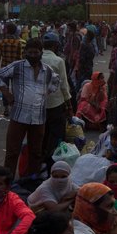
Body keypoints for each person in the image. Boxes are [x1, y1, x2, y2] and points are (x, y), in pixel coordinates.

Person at [0, 37, 61, 180]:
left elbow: (55, 82)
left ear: (41, 53)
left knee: (36, 152)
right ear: (25, 53)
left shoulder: (47, 70)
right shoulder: (17, 67)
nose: (33, 56)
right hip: (19, 116)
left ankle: (31, 181)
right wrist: (7, 94)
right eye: (30, 53)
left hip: (38, 118)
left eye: (36, 53)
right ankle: (7, 181)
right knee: (12, 151)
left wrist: (45, 94)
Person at [41, 33, 74, 168]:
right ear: (55, 45)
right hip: (56, 103)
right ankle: (53, 163)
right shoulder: (58, 61)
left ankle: (41, 161)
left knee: (43, 133)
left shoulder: (37, 58)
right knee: (56, 134)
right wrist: (69, 104)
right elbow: (63, 85)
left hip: (39, 103)